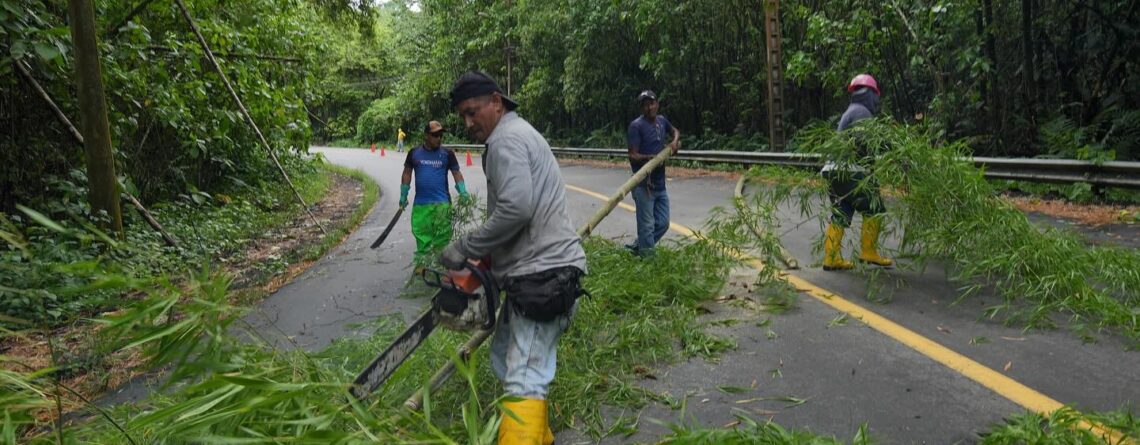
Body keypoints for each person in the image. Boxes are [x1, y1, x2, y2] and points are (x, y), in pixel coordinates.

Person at [441, 71, 587, 445]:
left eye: (473, 112)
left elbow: (516, 210)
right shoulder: (515, 135)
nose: (468, 122)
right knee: (506, 355)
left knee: (524, 375)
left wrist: (467, 248)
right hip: (535, 274)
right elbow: (518, 216)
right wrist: (488, 261)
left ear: (496, 101)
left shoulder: (506, 140)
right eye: (463, 116)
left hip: (544, 277)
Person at [821, 74, 893, 270]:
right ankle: (869, 251)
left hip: (833, 170)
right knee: (874, 207)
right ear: (872, 94)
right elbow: (863, 141)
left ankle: (831, 257)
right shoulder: (862, 112)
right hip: (851, 170)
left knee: (842, 211)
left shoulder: (851, 111)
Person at [400, 121, 469, 267]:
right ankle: (422, 273)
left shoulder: (447, 154)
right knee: (423, 242)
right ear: (426, 135)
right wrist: (403, 194)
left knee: (441, 243)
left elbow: (456, 172)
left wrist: (463, 192)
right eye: (435, 135)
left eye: (440, 135)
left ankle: (440, 271)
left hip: (442, 206)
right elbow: (407, 173)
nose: (439, 138)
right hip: (421, 207)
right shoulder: (414, 153)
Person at [626, 89, 680, 256]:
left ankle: (639, 247)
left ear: (657, 103)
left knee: (663, 223)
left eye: (651, 103)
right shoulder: (636, 126)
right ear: (641, 108)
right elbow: (632, 155)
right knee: (647, 226)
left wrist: (674, 142)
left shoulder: (662, 121)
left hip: (660, 184)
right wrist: (649, 158)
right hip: (643, 185)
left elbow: (675, 131)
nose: (649, 107)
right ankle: (648, 263)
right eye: (645, 105)